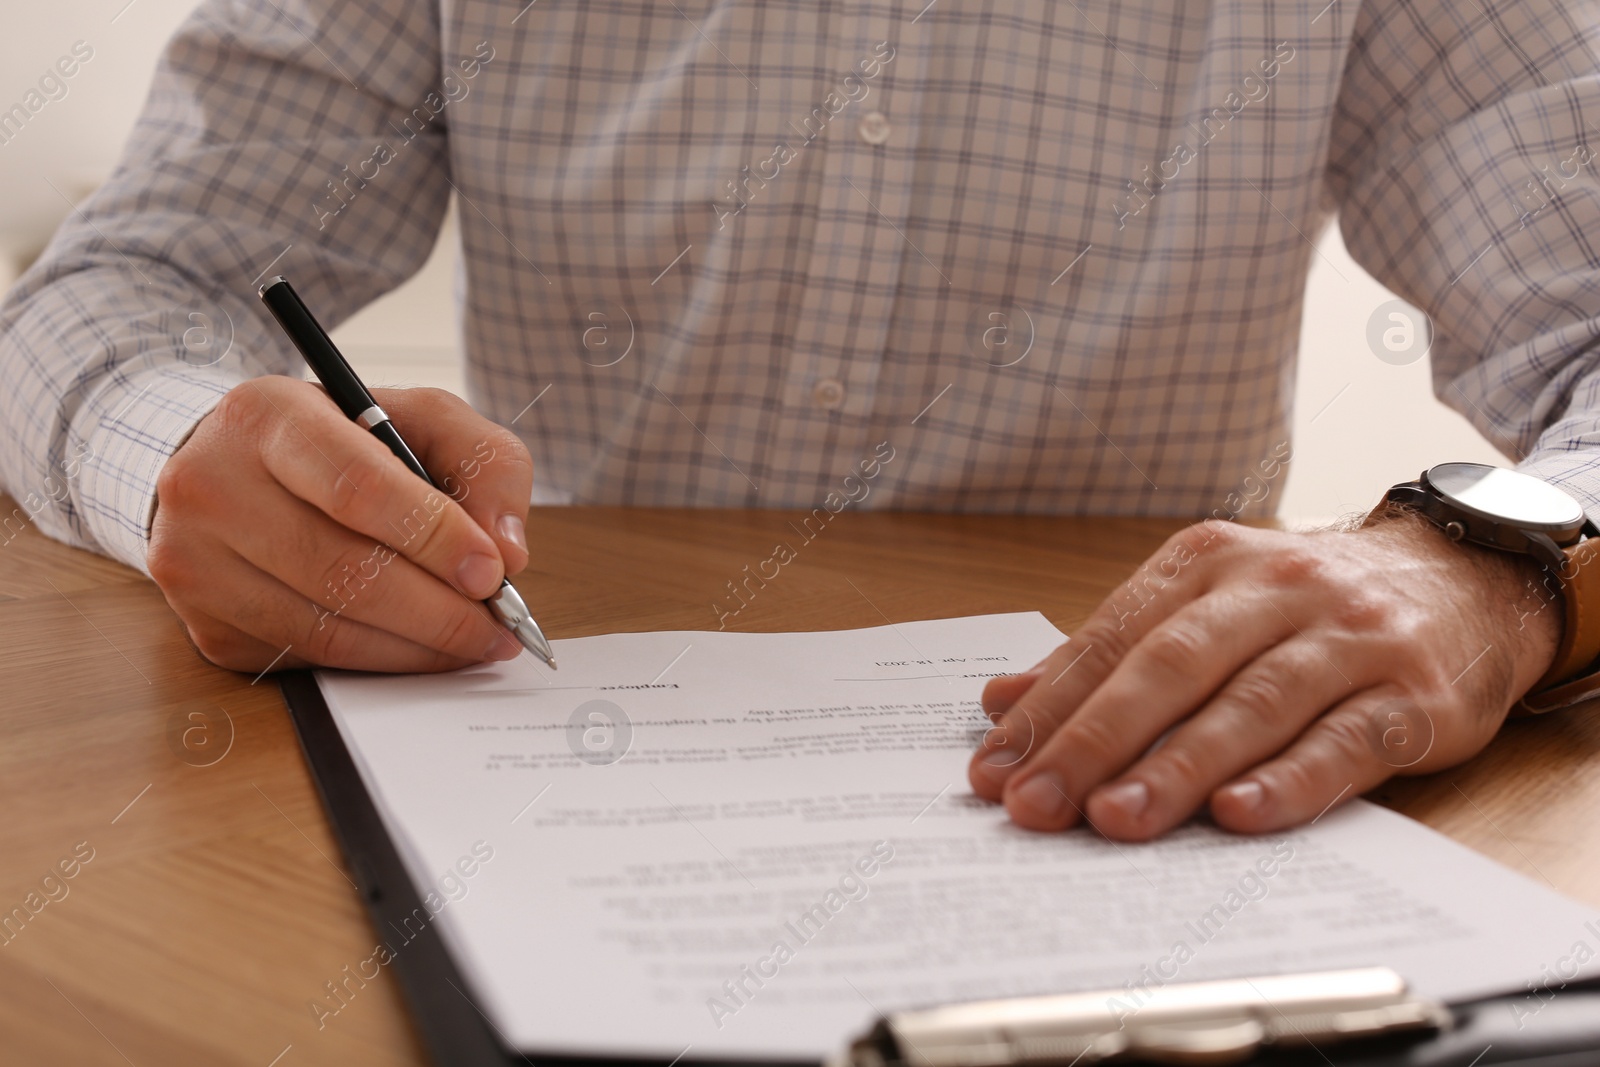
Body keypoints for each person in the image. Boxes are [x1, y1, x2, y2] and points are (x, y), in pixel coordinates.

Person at [1, 0, 1596, 842]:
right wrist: (177, 453)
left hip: (1150, 795)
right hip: (554, 780)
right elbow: (125, 284)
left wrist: (1493, 564)